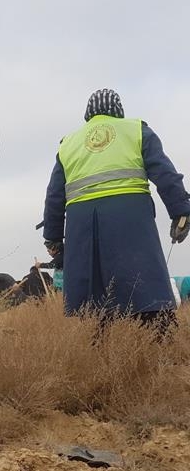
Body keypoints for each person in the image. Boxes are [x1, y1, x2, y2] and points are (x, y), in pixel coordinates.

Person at [43, 89, 190, 331]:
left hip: (83, 223)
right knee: (144, 283)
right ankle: (162, 350)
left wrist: (53, 238)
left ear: (88, 115)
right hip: (130, 216)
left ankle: (104, 348)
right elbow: (165, 174)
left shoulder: (68, 144)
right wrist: (181, 212)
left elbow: (54, 196)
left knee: (97, 294)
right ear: (119, 111)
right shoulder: (136, 130)